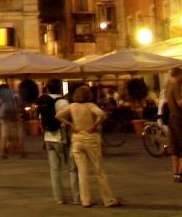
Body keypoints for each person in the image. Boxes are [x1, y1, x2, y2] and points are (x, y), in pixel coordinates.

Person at [58, 85, 121, 208]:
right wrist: (95, 125)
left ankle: (85, 200)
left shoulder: (72, 106)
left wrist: (70, 125)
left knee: (82, 172)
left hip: (76, 140)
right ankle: (108, 199)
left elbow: (58, 116)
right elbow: (102, 114)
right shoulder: (91, 106)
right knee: (98, 171)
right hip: (90, 139)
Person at [40, 78, 79, 206]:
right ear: (60, 88)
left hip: (48, 138)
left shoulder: (43, 101)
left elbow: (42, 120)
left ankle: (59, 198)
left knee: (54, 170)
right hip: (61, 138)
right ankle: (77, 197)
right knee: (72, 169)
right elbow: (70, 120)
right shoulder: (63, 102)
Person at [164, 66, 182, 180]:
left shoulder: (168, 86)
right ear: (179, 75)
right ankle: (180, 173)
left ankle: (175, 172)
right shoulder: (176, 86)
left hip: (171, 118)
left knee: (174, 146)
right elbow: (180, 103)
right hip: (179, 118)